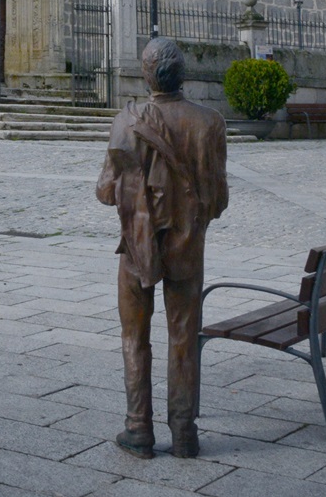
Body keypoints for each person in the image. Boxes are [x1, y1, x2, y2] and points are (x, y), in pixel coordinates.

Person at [94, 36, 228, 458]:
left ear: (145, 74)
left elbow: (103, 191)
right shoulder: (209, 122)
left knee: (135, 336)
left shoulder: (126, 121)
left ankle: (138, 429)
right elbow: (219, 199)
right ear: (182, 74)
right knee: (184, 336)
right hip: (187, 246)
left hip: (138, 250)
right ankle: (184, 433)